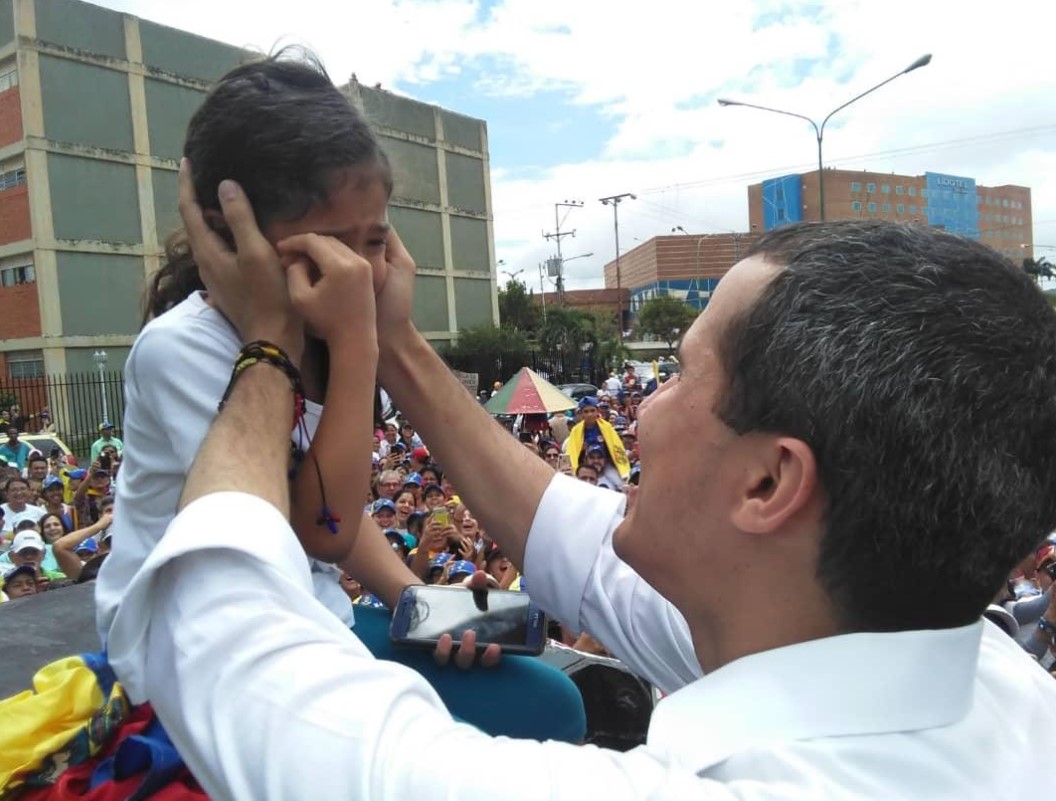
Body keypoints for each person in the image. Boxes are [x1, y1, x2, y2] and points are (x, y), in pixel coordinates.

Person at [111, 216, 1056, 799]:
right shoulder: (997, 684)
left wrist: (271, 347)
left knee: (547, 694)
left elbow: (231, 658)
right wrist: (390, 340)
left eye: (680, 374)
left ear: (769, 484)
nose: (640, 410)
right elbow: (576, 541)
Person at [101, 50, 581, 745]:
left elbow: (343, 522)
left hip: (312, 615)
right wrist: (362, 344)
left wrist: (417, 602)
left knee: (550, 703)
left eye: (375, 241)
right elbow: (318, 523)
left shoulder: (326, 332)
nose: (360, 271)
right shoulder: (182, 352)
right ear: (230, 233)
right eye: (331, 244)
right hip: (194, 657)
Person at [562, 397, 629, 485]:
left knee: (620, 482)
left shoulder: (606, 427)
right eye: (586, 411)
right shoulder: (576, 430)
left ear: (597, 411)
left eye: (592, 411)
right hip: (584, 465)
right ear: (581, 414)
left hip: (604, 464)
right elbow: (571, 452)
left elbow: (616, 448)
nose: (589, 414)